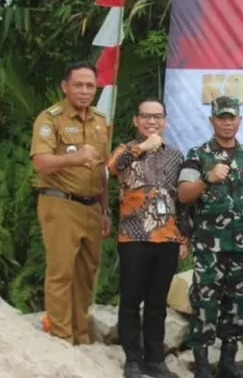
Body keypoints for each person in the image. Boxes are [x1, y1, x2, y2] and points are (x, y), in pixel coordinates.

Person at [177, 96, 243, 378]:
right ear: (212, 120)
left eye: (232, 118)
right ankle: (202, 365)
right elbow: (183, 194)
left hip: (240, 245)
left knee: (237, 304)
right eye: (221, 118)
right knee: (205, 303)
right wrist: (207, 179)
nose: (227, 123)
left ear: (239, 121)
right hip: (208, 246)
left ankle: (228, 363)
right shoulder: (198, 154)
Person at [30, 61, 111, 345]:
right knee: (61, 272)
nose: (85, 91)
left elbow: (102, 170)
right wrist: (73, 158)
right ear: (65, 87)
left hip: (92, 206)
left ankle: (80, 335)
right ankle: (61, 338)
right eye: (79, 85)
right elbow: (40, 162)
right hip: (60, 202)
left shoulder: (100, 121)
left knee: (86, 274)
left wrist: (105, 209)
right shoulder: (50, 119)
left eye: (90, 85)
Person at [108, 98, 187, 378]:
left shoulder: (175, 155)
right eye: (146, 116)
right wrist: (142, 148)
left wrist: (183, 236)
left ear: (165, 121)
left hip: (167, 237)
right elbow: (113, 167)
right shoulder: (125, 150)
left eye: (157, 117)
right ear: (136, 120)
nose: (151, 121)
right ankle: (132, 359)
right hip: (134, 236)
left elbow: (181, 198)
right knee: (131, 299)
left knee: (157, 302)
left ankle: (155, 359)